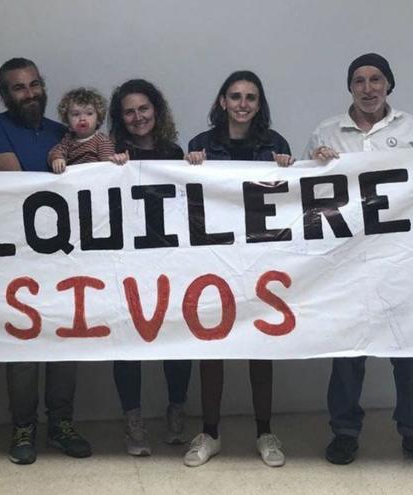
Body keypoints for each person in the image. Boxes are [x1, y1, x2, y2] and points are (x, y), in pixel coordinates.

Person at [303, 53, 413, 468]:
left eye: (376, 79)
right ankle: (344, 432)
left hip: (400, 259)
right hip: (346, 264)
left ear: (389, 85)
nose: (368, 88)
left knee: (408, 351)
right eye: (359, 81)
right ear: (350, 87)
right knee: (348, 352)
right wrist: (315, 164)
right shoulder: (325, 132)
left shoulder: (412, 128)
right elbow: (303, 196)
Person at [0, 57, 91, 464]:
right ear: (5, 94)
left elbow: (91, 181)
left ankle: (61, 423)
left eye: (35, 84)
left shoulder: (65, 131)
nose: (30, 93)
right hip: (15, 257)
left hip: (65, 256)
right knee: (24, 345)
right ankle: (23, 427)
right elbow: (16, 182)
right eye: (19, 88)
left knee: (65, 341)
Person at [183, 70, 291, 468]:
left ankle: (265, 431)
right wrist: (189, 166)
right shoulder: (200, 145)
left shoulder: (275, 145)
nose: (242, 104)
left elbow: (288, 201)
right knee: (212, 346)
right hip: (213, 261)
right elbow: (186, 203)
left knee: (261, 346)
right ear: (223, 101)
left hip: (261, 260)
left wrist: (287, 168)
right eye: (235, 96)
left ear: (259, 105)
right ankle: (210, 433)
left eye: (250, 97)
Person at [105, 78, 190, 456]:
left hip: (170, 260)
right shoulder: (110, 156)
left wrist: (194, 167)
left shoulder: (174, 152)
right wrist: (109, 167)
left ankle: (176, 409)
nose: (138, 117)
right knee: (128, 343)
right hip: (125, 262)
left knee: (178, 337)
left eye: (144, 108)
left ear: (156, 110)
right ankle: (133, 421)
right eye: (129, 111)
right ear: (120, 118)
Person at [47, 87, 115, 173]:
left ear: (98, 118)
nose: (82, 118)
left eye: (89, 113)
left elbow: (109, 167)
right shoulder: (68, 140)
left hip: (94, 181)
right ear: (67, 120)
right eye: (76, 114)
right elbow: (54, 152)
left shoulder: (102, 141)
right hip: (73, 182)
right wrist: (57, 159)